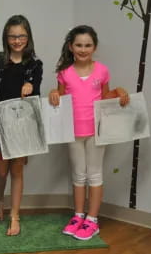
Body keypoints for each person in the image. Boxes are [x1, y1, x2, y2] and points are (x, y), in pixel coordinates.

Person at [48, 25, 129, 240]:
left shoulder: (102, 70)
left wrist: (119, 91)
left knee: (94, 174)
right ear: (71, 47)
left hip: (96, 131)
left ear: (94, 47)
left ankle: (92, 219)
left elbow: (106, 97)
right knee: (78, 174)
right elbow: (60, 99)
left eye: (88, 45)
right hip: (73, 132)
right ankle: (78, 215)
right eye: (79, 45)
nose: (83, 49)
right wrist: (53, 92)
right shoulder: (64, 72)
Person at [0, 14, 43, 236]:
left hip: (23, 124)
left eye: (21, 36)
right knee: (2, 171)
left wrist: (30, 87)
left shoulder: (34, 64)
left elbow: (36, 91)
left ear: (28, 37)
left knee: (17, 172)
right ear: (6, 37)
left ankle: (15, 215)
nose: (17, 40)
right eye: (13, 36)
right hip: (0, 123)